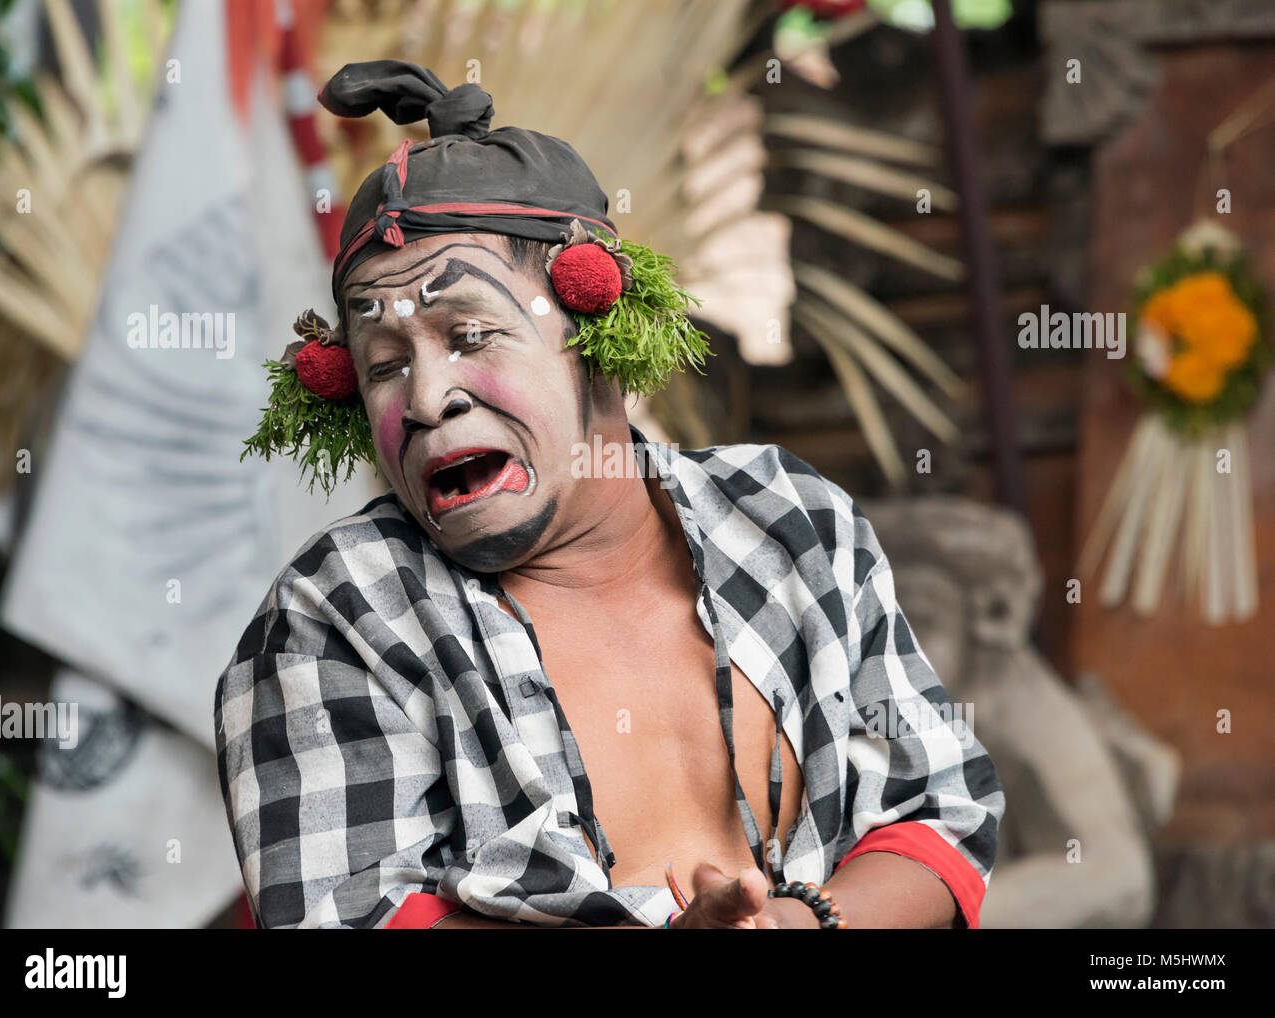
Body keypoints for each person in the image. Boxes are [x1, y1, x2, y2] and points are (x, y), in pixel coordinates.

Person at [214, 60, 1005, 930]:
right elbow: (347, 916)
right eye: (385, 367)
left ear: (601, 337)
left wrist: (800, 923)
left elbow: (940, 811)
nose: (428, 397)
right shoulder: (339, 613)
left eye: (469, 333)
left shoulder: (790, 520)